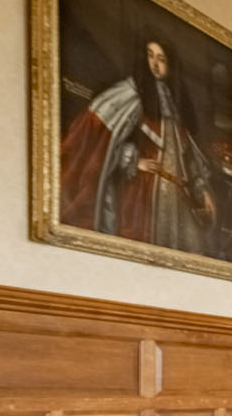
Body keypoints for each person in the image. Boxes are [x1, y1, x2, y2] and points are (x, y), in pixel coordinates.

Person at [59, 36, 222, 257]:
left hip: (178, 197)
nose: (155, 64)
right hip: (142, 194)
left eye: (162, 59)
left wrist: (202, 191)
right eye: (150, 55)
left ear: (170, 66)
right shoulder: (127, 96)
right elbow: (103, 144)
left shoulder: (175, 105)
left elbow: (188, 158)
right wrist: (134, 161)